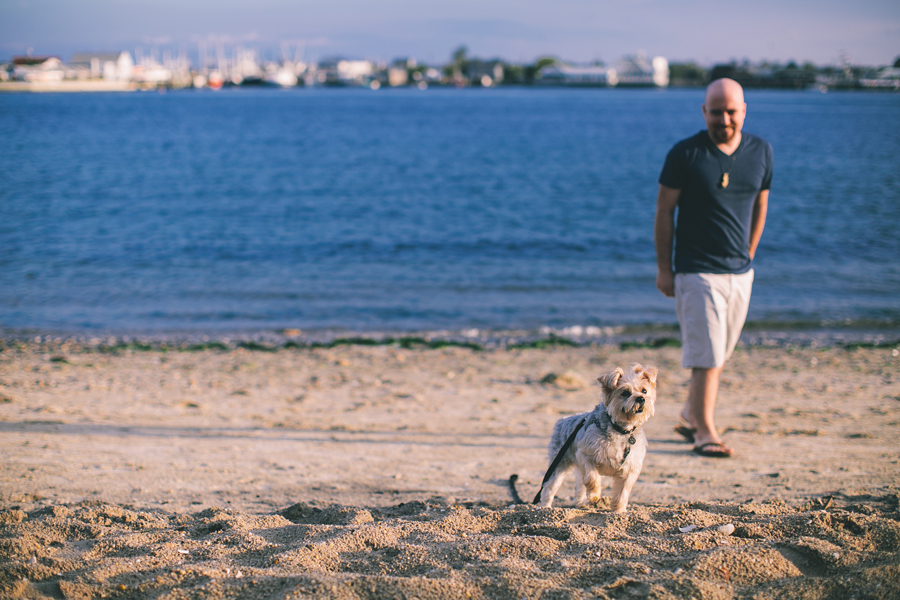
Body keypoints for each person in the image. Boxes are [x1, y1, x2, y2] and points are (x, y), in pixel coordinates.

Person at [654, 78, 773, 458]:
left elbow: (760, 205)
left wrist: (749, 252)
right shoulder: (685, 154)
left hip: (740, 271)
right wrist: (665, 268)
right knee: (706, 354)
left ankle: (690, 412)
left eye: (731, 111)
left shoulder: (760, 152)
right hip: (695, 269)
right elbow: (663, 211)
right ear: (704, 112)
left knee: (719, 353)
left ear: (743, 110)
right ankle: (705, 430)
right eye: (716, 111)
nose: (724, 119)